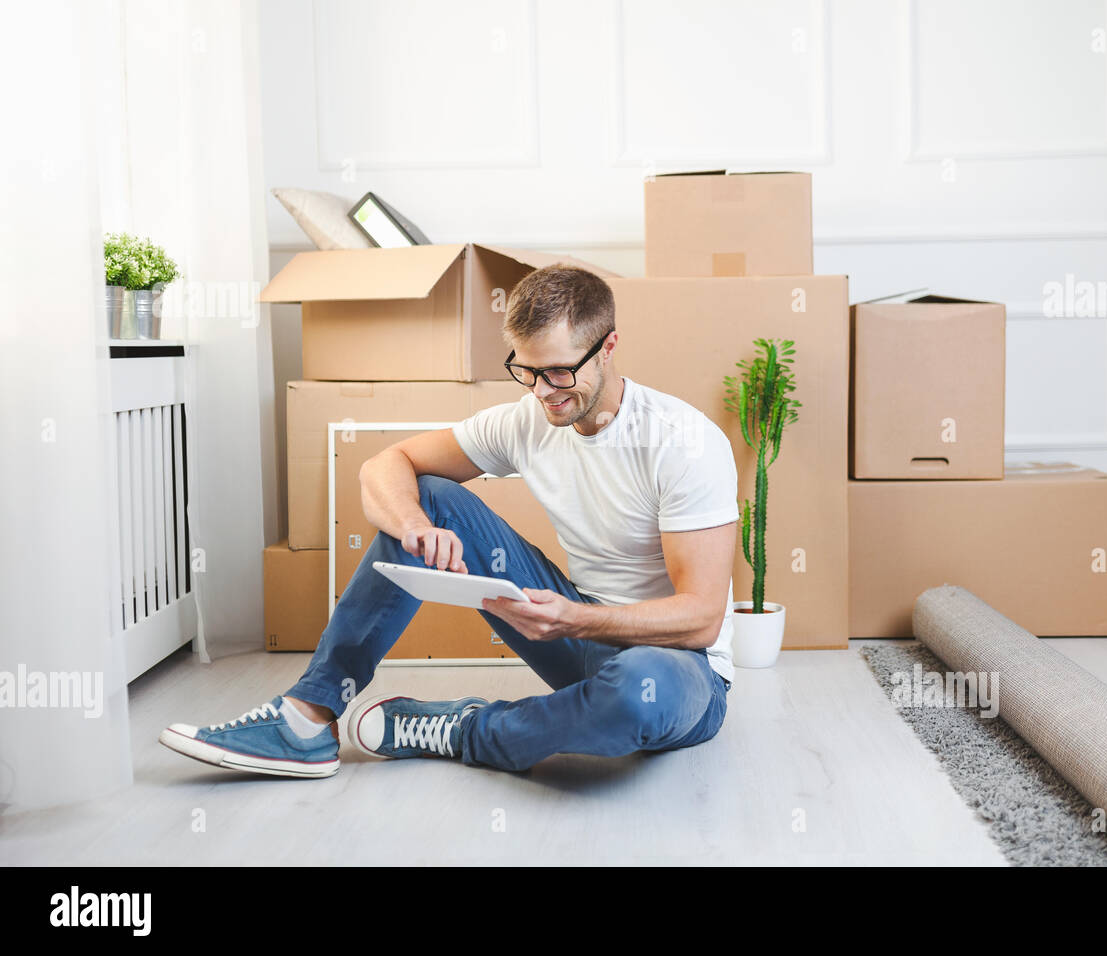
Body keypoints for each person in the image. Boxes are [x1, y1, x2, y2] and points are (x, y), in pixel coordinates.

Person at [159, 265, 739, 777]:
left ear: (608, 347)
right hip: (573, 630)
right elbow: (387, 464)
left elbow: (701, 619)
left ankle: (460, 729)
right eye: (527, 371)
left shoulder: (681, 442)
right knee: (428, 493)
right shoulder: (527, 419)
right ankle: (306, 721)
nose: (543, 392)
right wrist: (414, 526)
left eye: (560, 372)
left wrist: (577, 620)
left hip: (677, 668)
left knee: (637, 701)